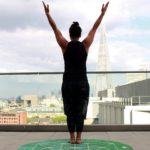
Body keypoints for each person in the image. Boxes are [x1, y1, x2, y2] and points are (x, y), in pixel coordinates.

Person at [42, 1, 109, 144]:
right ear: (80, 34)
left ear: (70, 34)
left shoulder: (65, 45)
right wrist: (102, 13)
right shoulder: (85, 45)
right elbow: (94, 28)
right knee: (80, 111)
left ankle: (71, 137)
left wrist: (48, 14)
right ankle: (79, 137)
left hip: (68, 83)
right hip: (82, 83)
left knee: (70, 110)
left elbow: (55, 29)